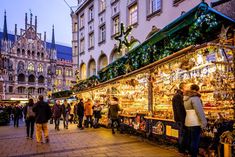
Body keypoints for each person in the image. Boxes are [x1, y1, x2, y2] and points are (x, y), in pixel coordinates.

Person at [184, 84, 207, 157]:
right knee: (195, 140)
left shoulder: (186, 98)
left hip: (188, 121)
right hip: (195, 122)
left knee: (190, 140)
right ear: (197, 90)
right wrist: (204, 122)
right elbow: (199, 111)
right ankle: (193, 155)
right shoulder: (195, 98)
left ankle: (190, 154)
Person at [172, 82, 187, 154]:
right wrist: (183, 120)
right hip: (180, 119)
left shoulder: (178, 95)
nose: (187, 89)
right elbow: (179, 109)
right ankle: (181, 150)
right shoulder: (178, 96)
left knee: (181, 134)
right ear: (183, 87)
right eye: (186, 87)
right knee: (182, 134)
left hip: (179, 119)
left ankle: (182, 149)